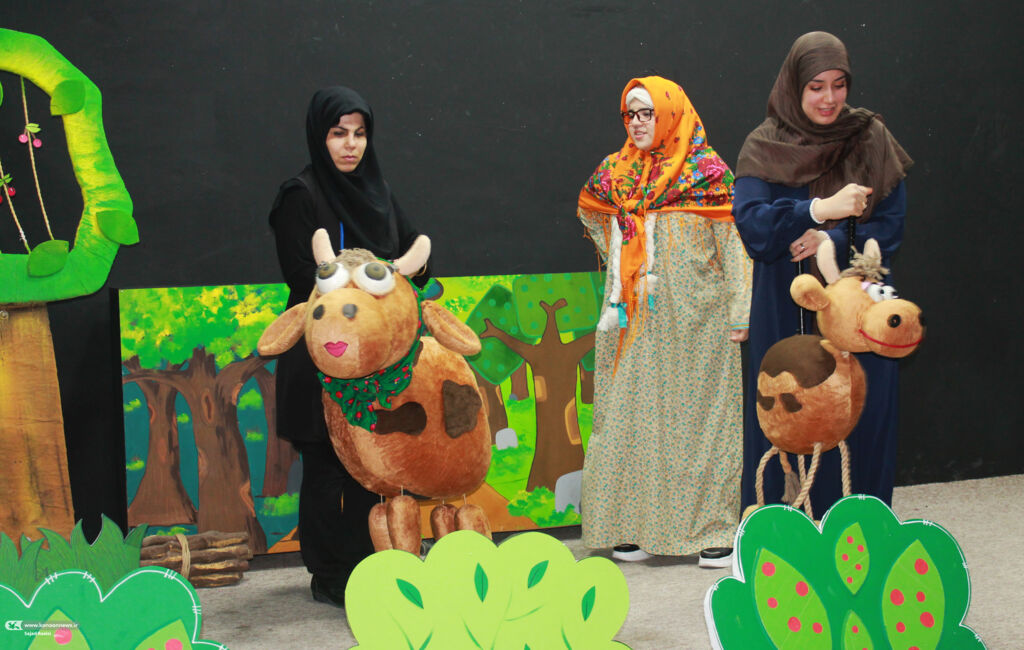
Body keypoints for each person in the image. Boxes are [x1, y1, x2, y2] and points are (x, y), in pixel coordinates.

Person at [733, 32, 913, 515]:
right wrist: (816, 209)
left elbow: (891, 227)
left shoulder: (870, 136)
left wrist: (829, 239)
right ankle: (781, 533)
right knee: (787, 409)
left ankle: (863, 527)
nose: (829, 98)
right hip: (785, 304)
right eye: (816, 87)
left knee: (862, 409)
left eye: (839, 84)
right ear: (794, 86)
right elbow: (754, 228)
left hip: (859, 308)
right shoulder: (764, 144)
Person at [578, 76, 751, 567]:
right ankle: (631, 527)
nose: (636, 123)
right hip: (633, 320)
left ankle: (711, 530)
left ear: (670, 114)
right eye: (629, 114)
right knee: (629, 418)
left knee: (699, 423)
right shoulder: (616, 172)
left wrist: (740, 308)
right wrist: (624, 259)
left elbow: (734, 247)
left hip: (698, 321)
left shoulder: (708, 173)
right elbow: (592, 212)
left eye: (646, 113)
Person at [268, 86, 427, 607]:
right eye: (339, 133)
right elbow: (302, 276)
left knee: (371, 464)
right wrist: (367, 278)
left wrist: (402, 269)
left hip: (376, 361)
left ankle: (370, 564)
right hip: (323, 353)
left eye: (359, 134)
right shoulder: (300, 195)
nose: (351, 145)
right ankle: (330, 573)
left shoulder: (378, 192)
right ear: (321, 136)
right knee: (327, 467)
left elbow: (419, 256)